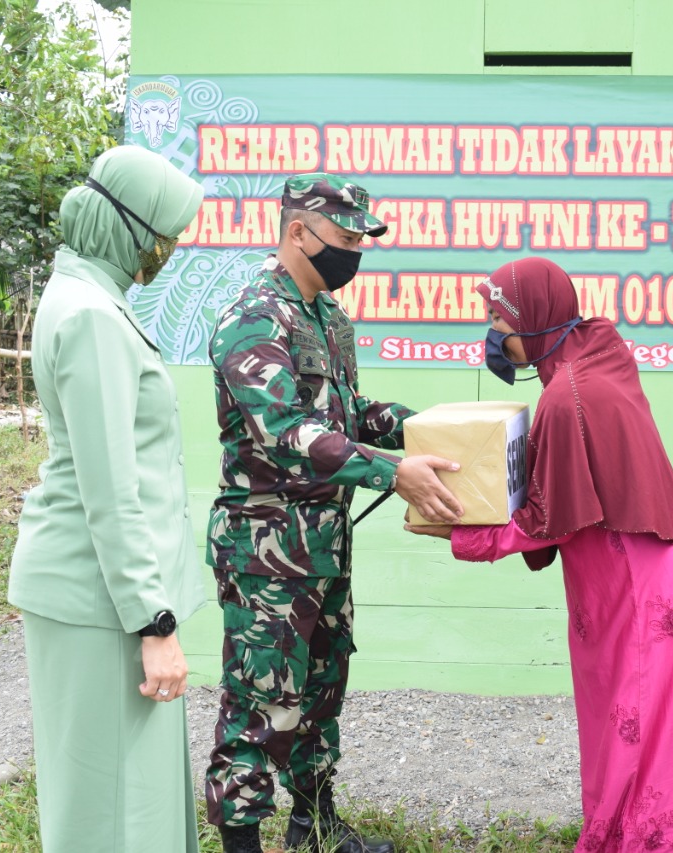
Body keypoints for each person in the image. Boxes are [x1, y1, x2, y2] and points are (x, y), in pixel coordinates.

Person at [406, 256, 673, 853]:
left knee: (643, 746)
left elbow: (544, 522)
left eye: (496, 316)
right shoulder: (594, 354)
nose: (490, 331)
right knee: (647, 739)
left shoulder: (570, 396)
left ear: (531, 316)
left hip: (646, 596)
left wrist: (459, 533)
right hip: (649, 580)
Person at [203, 173, 463, 853]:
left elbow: (348, 414)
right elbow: (286, 433)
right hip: (265, 551)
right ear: (298, 232)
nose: (355, 253)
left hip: (323, 544)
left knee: (321, 691)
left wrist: (428, 429)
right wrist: (391, 470)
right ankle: (242, 844)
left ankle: (315, 826)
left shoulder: (327, 318)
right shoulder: (254, 316)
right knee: (260, 703)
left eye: (360, 241)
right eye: (345, 239)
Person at [8, 145, 207, 852]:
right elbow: (110, 487)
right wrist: (155, 623)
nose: (170, 250)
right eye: (165, 234)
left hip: (103, 596)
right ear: (128, 228)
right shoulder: (92, 316)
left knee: (129, 804)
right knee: (114, 817)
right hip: (104, 603)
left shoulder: (84, 294)